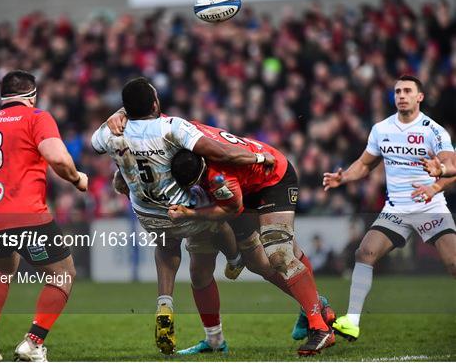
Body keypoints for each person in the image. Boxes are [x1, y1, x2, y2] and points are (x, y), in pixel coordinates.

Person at [91, 77, 275, 355]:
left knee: (166, 248)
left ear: (126, 109)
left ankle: (164, 304)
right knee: (217, 219)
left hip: (146, 210)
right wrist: (258, 158)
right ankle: (235, 259)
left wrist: (115, 116)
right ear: (155, 103)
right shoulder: (171, 127)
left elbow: (94, 142)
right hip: (183, 209)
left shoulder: (111, 132)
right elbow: (219, 151)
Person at [166, 122, 335, 356]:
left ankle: (319, 325)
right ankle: (315, 306)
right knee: (259, 261)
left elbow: (231, 210)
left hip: (273, 180)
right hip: (249, 183)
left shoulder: (219, 176)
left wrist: (190, 213)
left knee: (279, 252)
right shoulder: (187, 131)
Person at [323, 75, 456, 341]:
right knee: (365, 252)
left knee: (454, 263)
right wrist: (344, 177)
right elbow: (365, 164)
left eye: (407, 91)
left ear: (420, 97)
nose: (401, 95)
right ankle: (352, 321)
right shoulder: (381, 129)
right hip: (396, 208)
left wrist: (437, 177)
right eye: (397, 92)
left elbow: (452, 167)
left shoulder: (434, 130)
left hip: (430, 206)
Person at [0, 70, 88, 361]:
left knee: (0, 270)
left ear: (2, 97)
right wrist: (77, 179)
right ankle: (33, 343)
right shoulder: (37, 117)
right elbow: (58, 157)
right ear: (32, 95)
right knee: (63, 274)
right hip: (25, 213)